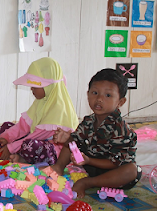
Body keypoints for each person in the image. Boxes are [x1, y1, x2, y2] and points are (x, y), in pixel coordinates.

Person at [52, 68, 141, 198]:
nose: (99, 99)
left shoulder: (121, 129)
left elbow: (115, 162)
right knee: (71, 141)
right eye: (95, 93)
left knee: (132, 170)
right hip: (91, 167)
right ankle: (58, 167)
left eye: (108, 95)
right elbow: (75, 142)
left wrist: (88, 160)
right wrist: (66, 139)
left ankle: (88, 183)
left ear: (120, 102)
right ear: (87, 94)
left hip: (113, 172)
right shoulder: (88, 121)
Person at [0, 57, 79, 164]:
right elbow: (24, 125)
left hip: (55, 151)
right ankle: (19, 155)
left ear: (48, 87)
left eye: (34, 86)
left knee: (30, 145)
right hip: (37, 139)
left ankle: (21, 158)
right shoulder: (42, 101)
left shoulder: (58, 109)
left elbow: (36, 135)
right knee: (7, 127)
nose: (31, 89)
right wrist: (6, 138)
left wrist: (10, 148)